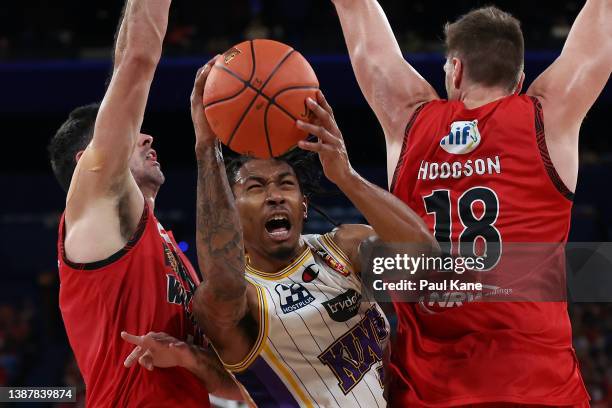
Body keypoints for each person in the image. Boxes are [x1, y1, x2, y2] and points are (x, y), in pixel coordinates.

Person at [331, 0, 611, 406]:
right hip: (540, 386)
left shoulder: (410, 120)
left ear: (456, 69)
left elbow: (357, 13)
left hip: (432, 388)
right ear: (519, 81)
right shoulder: (547, 118)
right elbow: (602, 17)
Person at [121, 61, 435, 407]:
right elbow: (225, 284)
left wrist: (346, 175)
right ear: (232, 215)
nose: (275, 195)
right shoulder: (236, 300)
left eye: (286, 184)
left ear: (302, 206)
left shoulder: (344, 246)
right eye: (255, 187)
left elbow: (428, 260)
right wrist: (206, 146)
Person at [48, 1, 239, 406]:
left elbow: (226, 381)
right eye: (135, 135)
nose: (148, 137)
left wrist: (189, 357)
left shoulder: (161, 241)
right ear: (88, 164)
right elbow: (136, 62)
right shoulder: (96, 206)